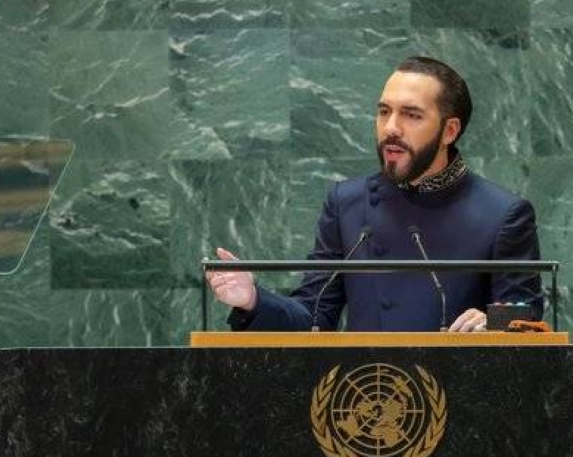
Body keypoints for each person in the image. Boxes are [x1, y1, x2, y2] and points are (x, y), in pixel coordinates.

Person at [209, 56, 542, 332]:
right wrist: (253, 299)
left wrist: (492, 323)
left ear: (449, 130)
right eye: (384, 112)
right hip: (365, 397)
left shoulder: (503, 214)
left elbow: (526, 315)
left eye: (411, 115)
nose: (391, 128)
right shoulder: (347, 203)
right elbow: (313, 318)